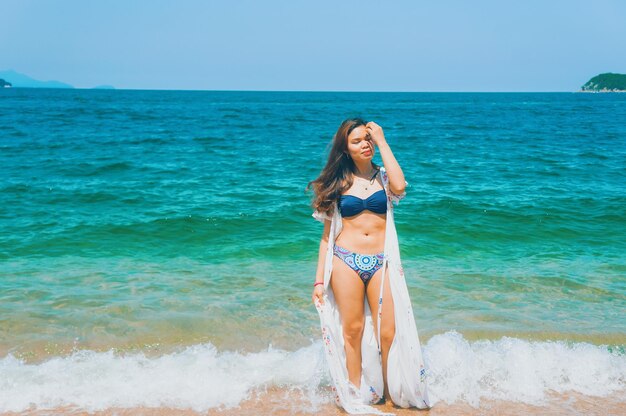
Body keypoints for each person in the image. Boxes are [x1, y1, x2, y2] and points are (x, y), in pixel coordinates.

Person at [307, 118, 431, 414]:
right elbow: (326, 238)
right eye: (357, 141)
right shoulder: (336, 184)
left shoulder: (384, 177)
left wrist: (384, 141)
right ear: (345, 148)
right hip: (345, 260)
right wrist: (318, 281)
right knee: (352, 330)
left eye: (368, 139)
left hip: (381, 261)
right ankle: (353, 392)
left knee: (387, 331)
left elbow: (401, 187)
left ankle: (389, 395)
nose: (365, 144)